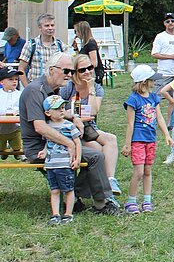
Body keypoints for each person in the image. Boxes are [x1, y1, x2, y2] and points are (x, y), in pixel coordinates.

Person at [20, 52, 120, 215]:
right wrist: (69, 144)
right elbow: (40, 127)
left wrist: (74, 117)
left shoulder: (54, 90)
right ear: (52, 70)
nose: (69, 75)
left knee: (97, 152)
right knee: (95, 156)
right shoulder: (35, 91)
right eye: (66, 71)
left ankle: (74, 195)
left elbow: (62, 111)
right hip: (40, 148)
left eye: (71, 72)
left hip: (56, 143)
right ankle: (101, 204)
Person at [60, 53, 121, 194]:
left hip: (89, 129)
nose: (87, 72)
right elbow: (59, 112)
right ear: (75, 72)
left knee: (111, 139)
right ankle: (89, 189)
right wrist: (74, 116)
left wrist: (91, 88)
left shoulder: (97, 88)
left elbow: (93, 111)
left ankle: (110, 181)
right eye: (82, 70)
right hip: (70, 130)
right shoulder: (68, 88)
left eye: (90, 67)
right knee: (97, 150)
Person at [121, 65, 173, 213]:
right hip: (138, 140)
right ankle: (131, 201)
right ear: (144, 82)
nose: (154, 82)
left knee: (148, 170)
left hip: (151, 139)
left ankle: (147, 200)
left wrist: (166, 135)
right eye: (152, 80)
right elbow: (130, 123)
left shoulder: (153, 97)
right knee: (138, 171)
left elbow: (159, 117)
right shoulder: (133, 100)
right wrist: (127, 144)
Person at [41, 95, 80, 225]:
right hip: (51, 164)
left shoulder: (69, 126)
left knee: (68, 189)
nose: (62, 111)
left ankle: (68, 214)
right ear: (48, 113)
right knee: (54, 190)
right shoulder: (47, 127)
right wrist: (44, 151)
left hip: (65, 164)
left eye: (63, 108)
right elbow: (48, 141)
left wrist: (77, 158)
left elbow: (77, 142)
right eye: (58, 109)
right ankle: (55, 214)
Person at [18, 13, 68, 86]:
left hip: (56, 88)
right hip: (36, 87)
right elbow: (21, 69)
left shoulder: (61, 46)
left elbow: (67, 69)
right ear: (40, 27)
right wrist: (27, 88)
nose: (50, 28)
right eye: (47, 25)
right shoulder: (30, 45)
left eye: (52, 25)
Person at [150, 13, 174, 86]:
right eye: (167, 21)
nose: (170, 23)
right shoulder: (160, 36)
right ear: (164, 23)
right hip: (164, 74)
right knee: (159, 96)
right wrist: (171, 56)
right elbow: (154, 54)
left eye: (172, 21)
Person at [0, 66, 24, 160]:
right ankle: (3, 152)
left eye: (16, 79)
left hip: (15, 128)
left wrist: (18, 112)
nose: (14, 81)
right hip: (0, 128)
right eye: (10, 79)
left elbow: (23, 108)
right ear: (2, 82)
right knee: (0, 147)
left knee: (17, 146)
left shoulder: (20, 94)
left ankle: (17, 153)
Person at [73, 21, 105, 86]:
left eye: (76, 31)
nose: (75, 34)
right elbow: (80, 58)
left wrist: (84, 68)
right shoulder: (85, 44)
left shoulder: (91, 43)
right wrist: (76, 48)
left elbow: (94, 63)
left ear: (81, 31)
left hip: (93, 74)